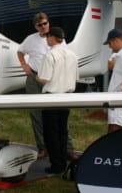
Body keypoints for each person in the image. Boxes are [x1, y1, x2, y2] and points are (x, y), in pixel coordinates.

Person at [17, 13, 76, 160]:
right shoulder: (30, 39)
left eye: (45, 23)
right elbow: (20, 51)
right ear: (35, 27)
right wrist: (24, 65)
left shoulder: (58, 39)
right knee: (36, 114)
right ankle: (42, 147)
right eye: (39, 25)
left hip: (52, 79)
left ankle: (68, 148)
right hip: (35, 77)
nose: (43, 27)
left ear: (48, 23)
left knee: (59, 114)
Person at [36, 27, 78, 174]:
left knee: (51, 133)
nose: (47, 39)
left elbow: (44, 78)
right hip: (67, 96)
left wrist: (36, 77)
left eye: (48, 37)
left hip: (52, 97)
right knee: (62, 131)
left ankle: (56, 165)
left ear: (53, 38)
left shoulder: (50, 55)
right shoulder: (72, 54)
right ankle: (63, 159)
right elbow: (75, 77)